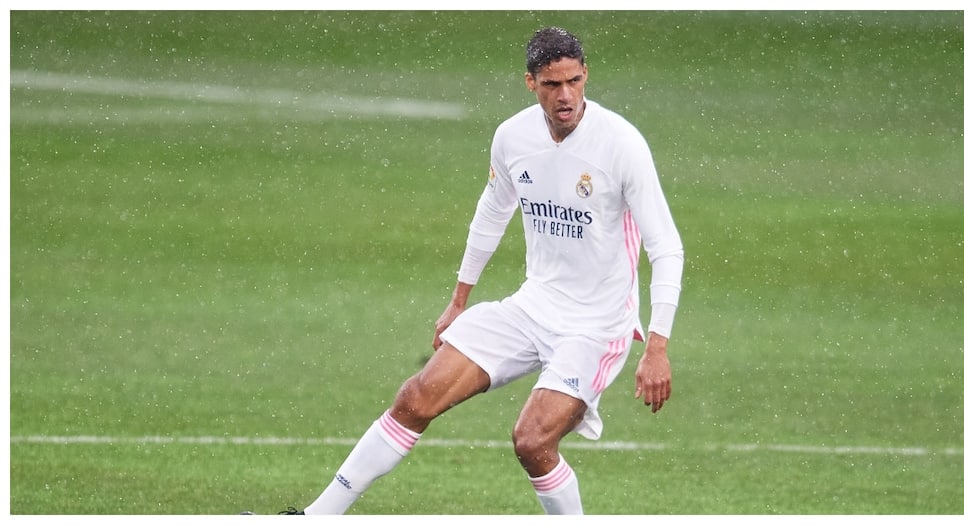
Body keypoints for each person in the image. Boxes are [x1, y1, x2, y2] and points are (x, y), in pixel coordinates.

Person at [250, 26, 684, 515]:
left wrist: (658, 344)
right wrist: (460, 299)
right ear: (530, 82)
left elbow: (666, 246)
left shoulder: (621, 145)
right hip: (532, 304)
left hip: (596, 326)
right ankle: (314, 515)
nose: (566, 96)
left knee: (532, 440)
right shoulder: (512, 137)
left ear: (586, 76)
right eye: (551, 85)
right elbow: (493, 211)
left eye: (574, 81)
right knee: (416, 397)